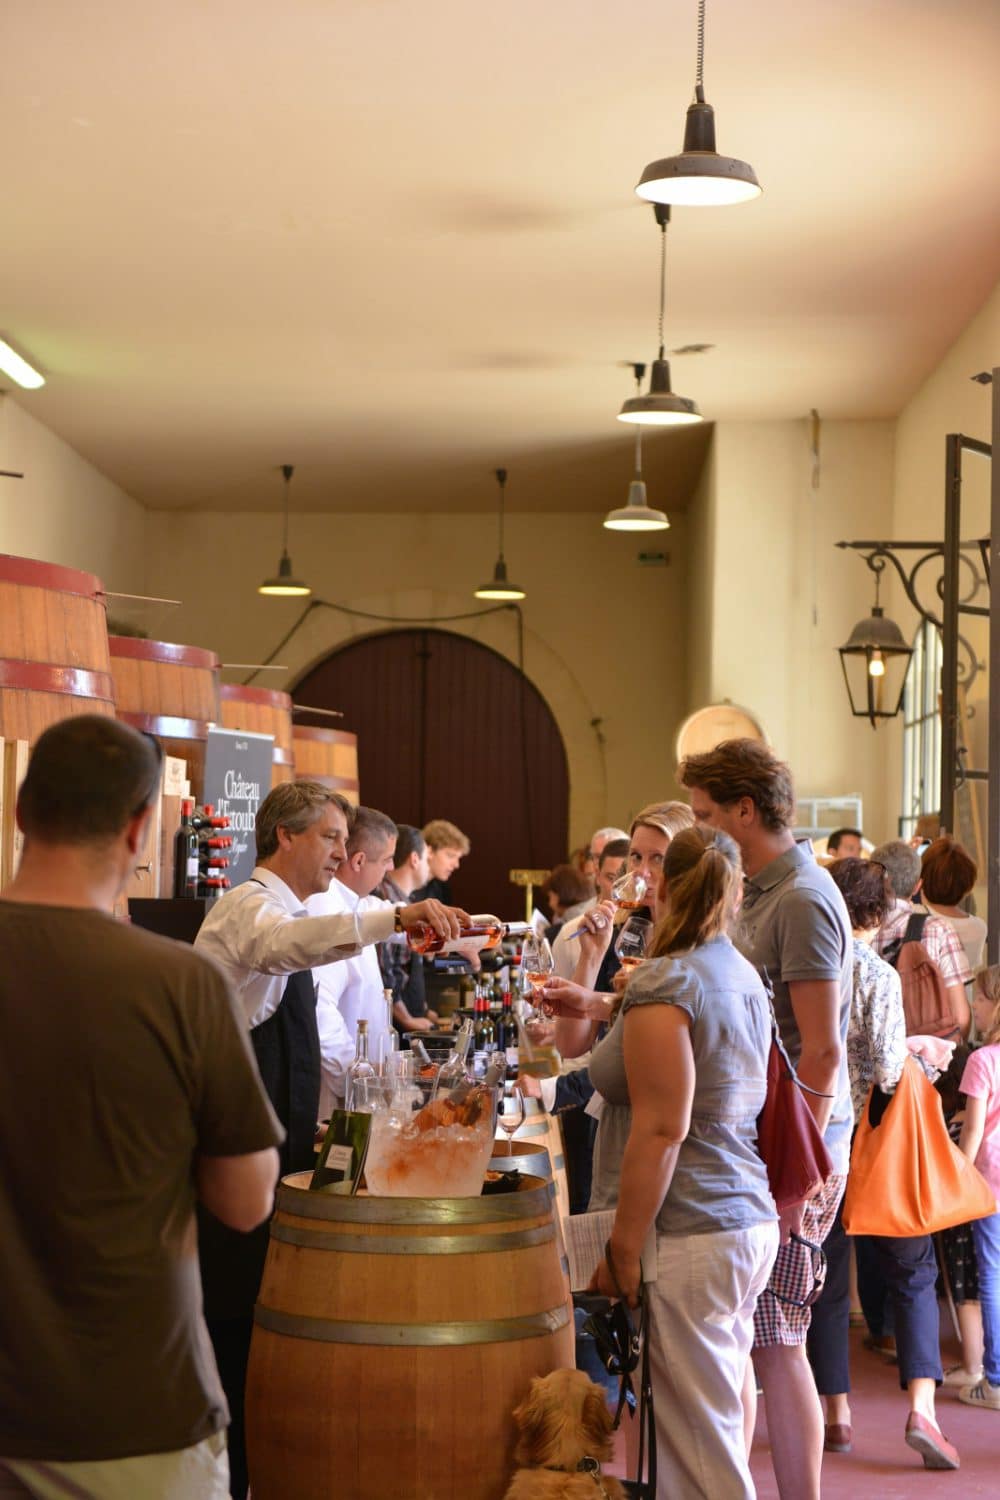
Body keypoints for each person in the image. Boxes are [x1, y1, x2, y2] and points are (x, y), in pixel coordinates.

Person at [0, 716, 282, 1500]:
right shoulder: (180, 984)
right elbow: (245, 1198)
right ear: (139, 825)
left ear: (21, 812)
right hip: (131, 1406)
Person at [194, 782, 465, 1498]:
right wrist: (394, 915)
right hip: (226, 1163)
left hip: (277, 1145)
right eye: (329, 839)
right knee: (230, 1330)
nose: (342, 854)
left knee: (257, 1330)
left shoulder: (299, 911)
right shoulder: (249, 909)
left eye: (346, 842)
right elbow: (283, 949)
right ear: (283, 836)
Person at [678, 739, 851, 1500]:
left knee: (779, 1342)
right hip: (765, 1146)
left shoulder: (805, 897)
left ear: (746, 811)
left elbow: (823, 1052)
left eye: (708, 813)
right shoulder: (766, 889)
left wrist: (793, 1177)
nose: (703, 827)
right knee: (758, 1340)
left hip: (792, 1153)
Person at [588, 826, 779, 1499]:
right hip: (742, 1217)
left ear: (664, 884)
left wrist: (623, 1249)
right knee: (705, 1431)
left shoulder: (671, 978)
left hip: (695, 1225)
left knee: (703, 1457)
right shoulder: (740, 971)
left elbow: (663, 1129)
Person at [805, 858, 959, 1469]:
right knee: (914, 1272)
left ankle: (836, 1414)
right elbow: (891, 1072)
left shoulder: (810, 970)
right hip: (875, 1145)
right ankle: (922, 1407)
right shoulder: (876, 973)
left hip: (820, 1147)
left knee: (828, 1279)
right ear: (878, 911)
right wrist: (920, 1056)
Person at [308, 805, 401, 1075]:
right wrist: (361, 1074)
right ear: (359, 861)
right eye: (388, 859)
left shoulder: (353, 900)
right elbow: (320, 1012)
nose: (392, 867)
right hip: (343, 1091)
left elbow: (384, 915)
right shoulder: (326, 908)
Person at [871, 839, 972, 1037]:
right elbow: (960, 1017)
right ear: (918, 886)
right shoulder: (937, 930)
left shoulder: (854, 928)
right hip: (924, 1054)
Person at [958, 967, 1000, 1412]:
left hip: (991, 1181)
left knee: (991, 1276)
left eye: (982, 999)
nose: (974, 1006)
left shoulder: (982, 1061)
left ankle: (996, 1378)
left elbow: (972, 1134)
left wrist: (956, 1182)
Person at [378, 824, 439, 1034]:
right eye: (426, 860)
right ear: (414, 859)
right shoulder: (386, 899)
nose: (428, 868)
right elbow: (385, 970)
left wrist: (422, 1010)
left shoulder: (404, 900)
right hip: (396, 1023)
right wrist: (407, 1019)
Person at [551, 837, 630, 981]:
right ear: (598, 876)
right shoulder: (571, 932)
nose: (618, 889)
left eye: (625, 879)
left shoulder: (644, 932)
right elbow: (554, 996)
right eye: (611, 878)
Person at [919, 836, 987, 975]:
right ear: (967, 884)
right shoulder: (978, 928)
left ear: (923, 877)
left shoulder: (912, 918)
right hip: (962, 996)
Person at [412, 817, 470, 903]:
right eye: (450, 856)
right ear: (430, 851)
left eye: (458, 858)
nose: (456, 865)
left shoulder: (442, 889)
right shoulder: (408, 884)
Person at [540, 862, 595, 943]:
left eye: (550, 896)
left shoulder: (559, 930)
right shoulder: (590, 909)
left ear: (558, 895)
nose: (550, 904)